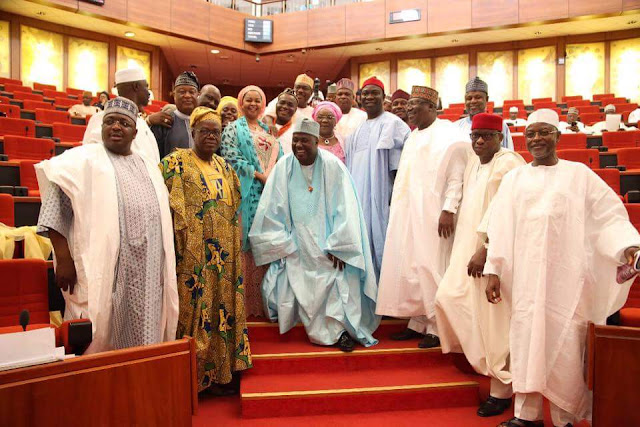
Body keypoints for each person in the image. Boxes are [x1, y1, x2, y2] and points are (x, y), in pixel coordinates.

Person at [483, 109, 640, 427]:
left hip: (568, 277)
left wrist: (627, 246)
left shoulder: (579, 175)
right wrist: (493, 269)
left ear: (557, 135)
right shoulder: (514, 179)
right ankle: (526, 415)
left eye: (544, 132)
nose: (537, 139)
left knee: (566, 341)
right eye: (531, 134)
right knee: (526, 339)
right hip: (525, 277)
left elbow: (608, 215)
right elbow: (499, 227)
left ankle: (563, 416)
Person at [35, 97, 178, 354]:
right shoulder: (82, 160)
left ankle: (141, 372)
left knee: (146, 336)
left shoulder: (148, 165)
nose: (116, 127)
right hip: (104, 267)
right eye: (110, 121)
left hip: (147, 272)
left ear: (135, 132)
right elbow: (54, 209)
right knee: (101, 331)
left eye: (124, 123)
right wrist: (63, 258)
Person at [249, 118, 380, 352]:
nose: (299, 145)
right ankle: (318, 328)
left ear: (316, 141)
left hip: (330, 242)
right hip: (297, 241)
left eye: (304, 141)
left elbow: (346, 207)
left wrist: (340, 246)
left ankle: (339, 332)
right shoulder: (284, 166)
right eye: (295, 140)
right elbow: (272, 207)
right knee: (299, 278)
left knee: (335, 280)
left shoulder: (332, 166)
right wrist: (282, 243)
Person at [435, 113, 525, 418]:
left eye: (487, 135)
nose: (480, 141)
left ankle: (501, 391)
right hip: (466, 252)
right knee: (448, 298)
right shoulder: (473, 163)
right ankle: (484, 367)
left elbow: (506, 212)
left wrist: (486, 250)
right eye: (475, 136)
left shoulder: (508, 163)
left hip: (494, 255)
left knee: (494, 322)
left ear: (500, 137)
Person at [160, 106, 251, 394]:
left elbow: (234, 208)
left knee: (222, 310)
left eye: (216, 132)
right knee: (195, 312)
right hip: (193, 254)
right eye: (205, 131)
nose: (211, 136)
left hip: (225, 256)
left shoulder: (225, 167)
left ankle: (222, 372)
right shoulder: (175, 163)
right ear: (193, 132)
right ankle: (194, 378)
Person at [376, 85, 467, 348]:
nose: (409, 109)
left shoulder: (450, 134)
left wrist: (449, 209)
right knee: (411, 265)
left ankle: (437, 327)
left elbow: (457, 176)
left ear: (431, 107)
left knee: (432, 266)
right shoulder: (413, 136)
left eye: (414, 104)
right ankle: (418, 321)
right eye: (408, 105)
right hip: (408, 212)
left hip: (434, 213)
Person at [220, 85, 282, 318]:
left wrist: (272, 177)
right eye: (249, 100)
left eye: (258, 100)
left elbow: (279, 158)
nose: (253, 104)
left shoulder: (268, 131)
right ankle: (243, 307)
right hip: (245, 195)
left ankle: (265, 305)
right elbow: (231, 158)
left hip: (268, 195)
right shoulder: (232, 129)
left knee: (264, 244)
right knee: (244, 247)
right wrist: (259, 175)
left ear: (263, 104)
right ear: (241, 103)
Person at [345, 76, 410, 279]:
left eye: (374, 93)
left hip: (383, 199)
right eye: (365, 93)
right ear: (359, 98)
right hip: (359, 200)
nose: (369, 97)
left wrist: (395, 200)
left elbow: (400, 170)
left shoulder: (394, 125)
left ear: (384, 97)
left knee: (386, 249)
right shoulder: (356, 131)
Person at [83, 67, 160, 164]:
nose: (148, 93)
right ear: (136, 86)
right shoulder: (101, 118)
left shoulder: (141, 122)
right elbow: (95, 161)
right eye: (146, 87)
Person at [150, 71, 200, 158]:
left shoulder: (203, 121)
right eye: (182, 92)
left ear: (198, 95)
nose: (187, 96)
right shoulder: (163, 121)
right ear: (174, 95)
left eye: (191, 92)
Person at [455, 77, 513, 150]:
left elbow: (509, 153)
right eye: (469, 98)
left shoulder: (499, 125)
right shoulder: (456, 127)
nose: (473, 101)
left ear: (486, 99)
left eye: (478, 97)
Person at [268, 88, 297, 154]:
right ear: (276, 105)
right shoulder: (263, 127)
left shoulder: (296, 132)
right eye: (282, 103)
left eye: (290, 105)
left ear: (295, 110)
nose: (285, 107)